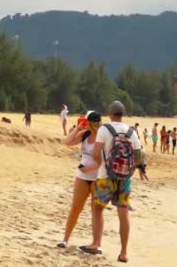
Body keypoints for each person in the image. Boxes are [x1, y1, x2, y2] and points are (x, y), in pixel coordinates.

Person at [80, 101, 141, 263]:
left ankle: (96, 243)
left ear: (110, 113)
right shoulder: (131, 132)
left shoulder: (104, 129)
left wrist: (97, 164)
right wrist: (140, 170)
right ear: (123, 114)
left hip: (106, 177)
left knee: (97, 208)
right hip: (125, 179)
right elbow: (139, 155)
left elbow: (95, 152)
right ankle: (124, 253)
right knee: (123, 214)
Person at [57, 111, 102, 249]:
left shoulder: (103, 137)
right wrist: (78, 128)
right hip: (82, 177)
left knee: (96, 210)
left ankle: (97, 244)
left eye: (86, 121)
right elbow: (67, 142)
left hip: (98, 178)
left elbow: (107, 159)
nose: (84, 123)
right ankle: (65, 239)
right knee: (76, 207)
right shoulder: (85, 134)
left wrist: (91, 167)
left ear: (91, 122)